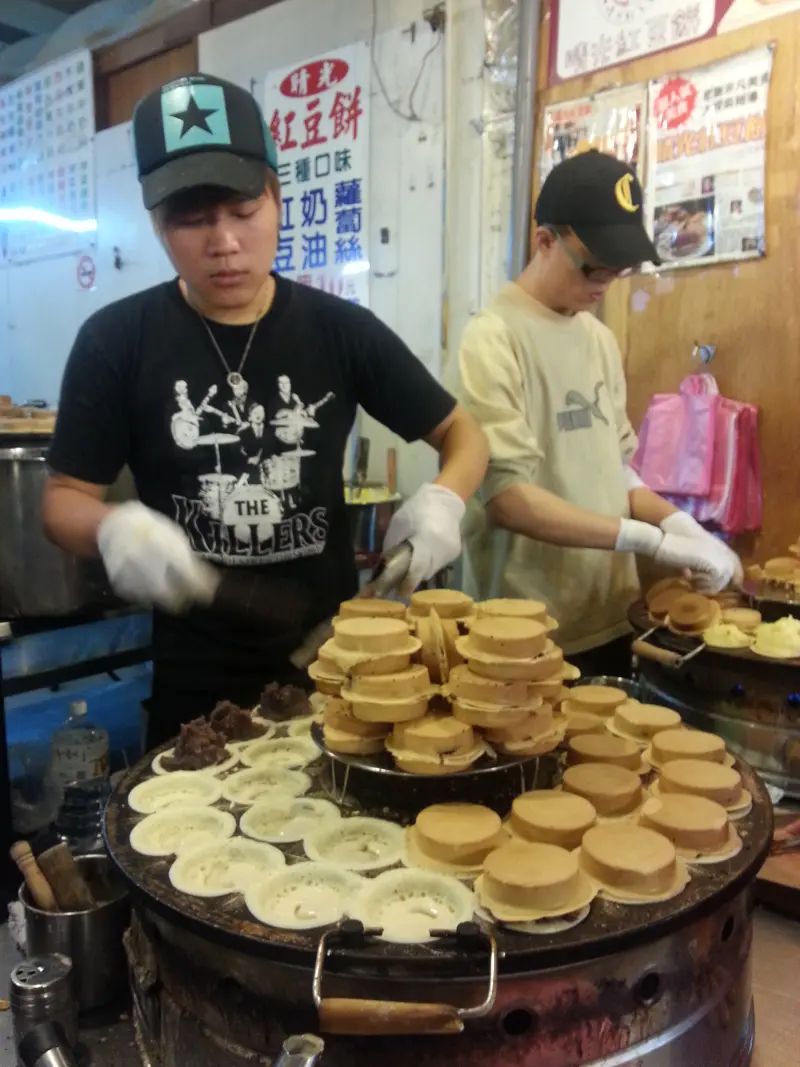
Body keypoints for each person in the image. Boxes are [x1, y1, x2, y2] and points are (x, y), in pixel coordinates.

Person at [43, 74, 488, 747]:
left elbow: (463, 434)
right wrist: (110, 527)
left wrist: (445, 500)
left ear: (277, 199)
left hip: (335, 670)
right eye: (191, 219)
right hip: (196, 689)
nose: (222, 241)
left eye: (243, 211)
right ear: (157, 222)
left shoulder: (342, 331)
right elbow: (63, 499)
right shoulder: (116, 340)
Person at [456, 151, 741, 677]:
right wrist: (648, 540)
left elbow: (617, 471)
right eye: (594, 264)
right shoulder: (493, 338)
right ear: (544, 241)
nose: (605, 280)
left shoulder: (599, 339)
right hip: (526, 631)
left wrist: (687, 528)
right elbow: (508, 499)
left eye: (620, 268)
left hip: (612, 615)